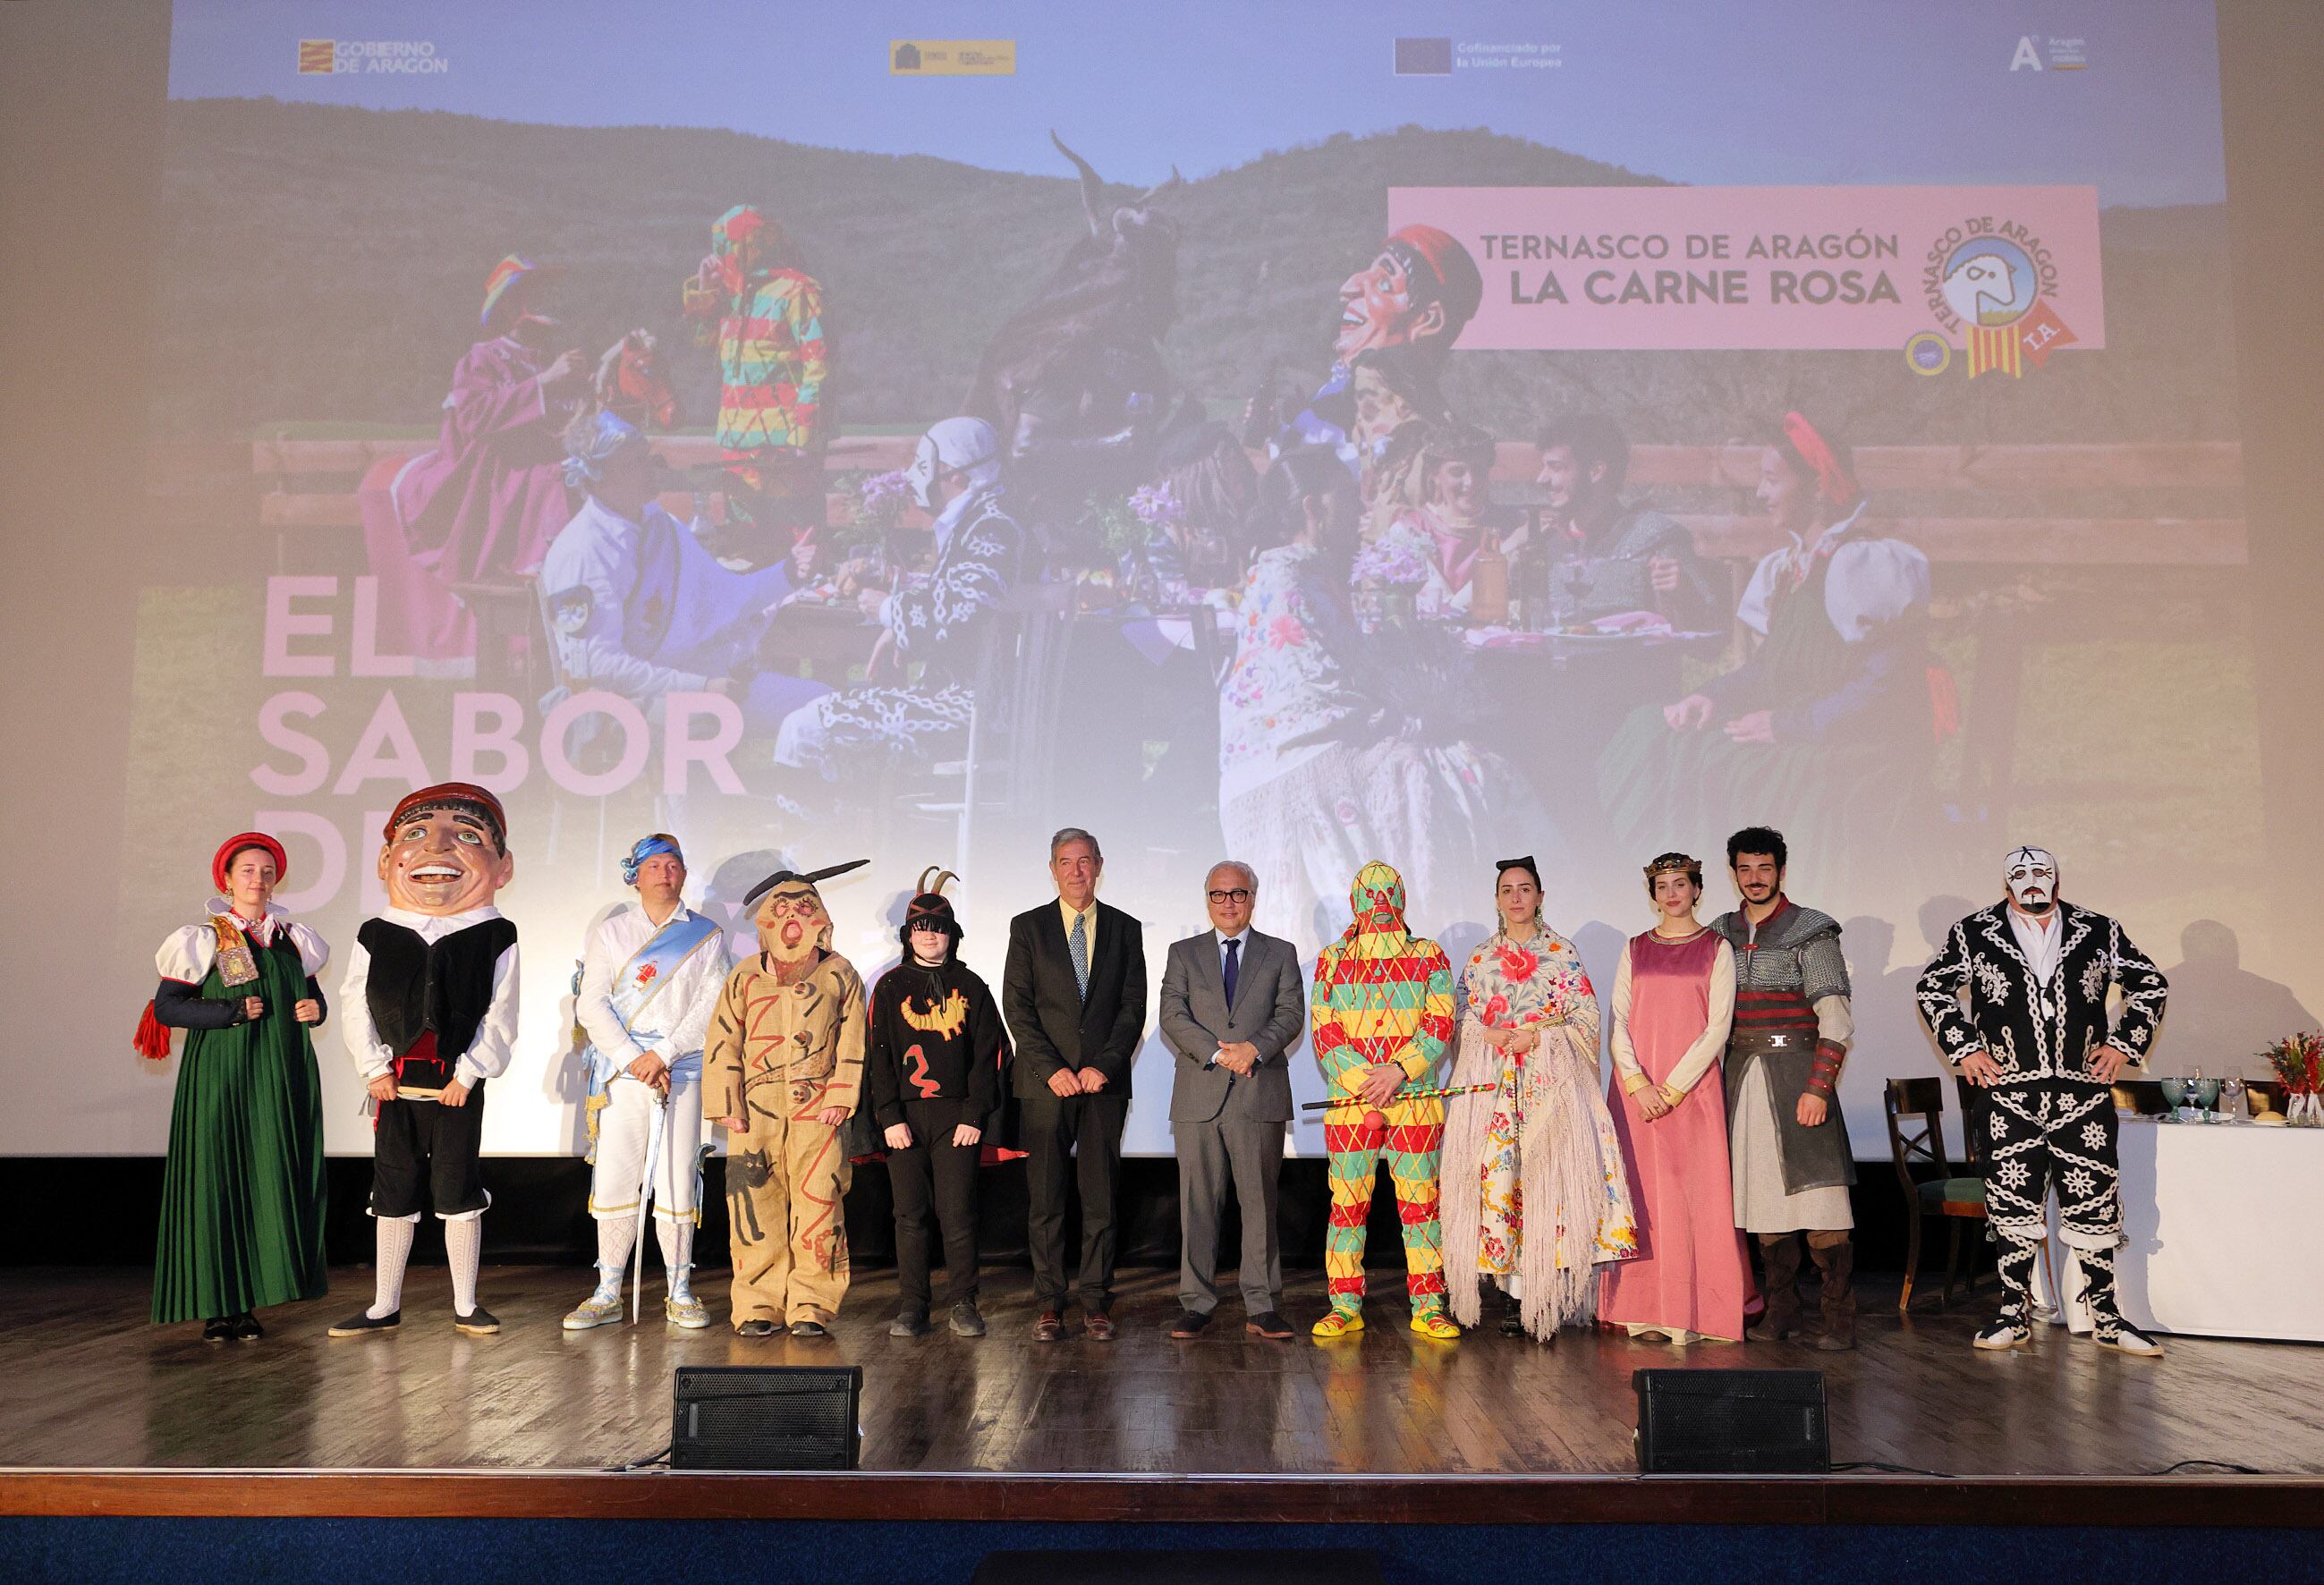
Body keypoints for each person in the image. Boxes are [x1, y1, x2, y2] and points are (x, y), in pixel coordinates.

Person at [1598, 413, 1940, 906]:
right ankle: (1649, 892)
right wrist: (1710, 697)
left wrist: (1791, 724)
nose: (1760, 493)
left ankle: (1746, 914)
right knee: (1657, 732)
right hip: (1801, 731)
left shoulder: (1861, 565)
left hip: (1855, 746)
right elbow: (1771, 671)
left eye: (1772, 479)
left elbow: (1884, 685)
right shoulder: (1788, 570)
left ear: (1817, 486)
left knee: (1723, 764)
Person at [1218, 448, 1556, 945]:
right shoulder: (1285, 577)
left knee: (1463, 760)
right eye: (1348, 501)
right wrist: (1393, 718)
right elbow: (1303, 681)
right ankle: (1446, 927)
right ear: (1314, 510)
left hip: (1315, 735)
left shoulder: (1311, 573)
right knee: (1434, 767)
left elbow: (1347, 665)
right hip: (1291, 753)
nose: (1359, 513)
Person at [1913, 846, 2169, 1355]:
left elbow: (2151, 983)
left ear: (2057, 880)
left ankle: (2107, 1316)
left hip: (2083, 1090)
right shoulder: (1973, 932)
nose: (2033, 882)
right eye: (2022, 875)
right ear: (2006, 883)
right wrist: (1965, 1050)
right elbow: (1932, 989)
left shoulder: (2099, 930)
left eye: (2042, 874)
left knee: (2094, 1198)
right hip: (2009, 1092)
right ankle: (2013, 1311)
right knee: (2013, 1201)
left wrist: (2121, 1044)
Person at [329, 785, 519, 1338]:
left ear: (502, 867)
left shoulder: (496, 935)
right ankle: (384, 1302)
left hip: (454, 1085)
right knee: (392, 1190)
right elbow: (354, 1001)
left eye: (466, 835)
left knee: (457, 1188)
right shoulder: (376, 934)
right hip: (395, 1086)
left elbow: (502, 1011)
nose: (437, 848)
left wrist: (469, 1072)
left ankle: (465, 1303)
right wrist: (373, 1069)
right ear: (387, 861)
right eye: (415, 834)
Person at [137, 834, 331, 1343]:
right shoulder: (203, 938)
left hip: (278, 1075)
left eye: (266, 870)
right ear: (226, 879)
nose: (258, 879)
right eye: (247, 870)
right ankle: (217, 1307)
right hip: (222, 1074)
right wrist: (228, 1012)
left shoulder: (294, 939)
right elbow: (168, 1008)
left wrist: (318, 1010)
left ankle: (248, 1304)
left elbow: (311, 997)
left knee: (265, 1178)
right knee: (219, 1177)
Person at [1438, 857, 1637, 1341]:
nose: (1516, 897)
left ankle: (1544, 1292)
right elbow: (1459, 1019)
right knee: (1500, 1183)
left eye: (1525, 888)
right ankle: (1509, 1295)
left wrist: (1541, 1039)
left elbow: (1587, 1020)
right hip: (1495, 1094)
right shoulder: (1481, 959)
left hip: (1553, 1088)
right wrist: (1486, 1032)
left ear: (1540, 896)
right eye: (1507, 889)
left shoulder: (1562, 953)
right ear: (1497, 899)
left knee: (1549, 1181)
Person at [539, 410, 825, 736]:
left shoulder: (661, 526)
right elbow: (597, 666)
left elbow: (729, 596)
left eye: (646, 458)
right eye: (632, 464)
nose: (649, 470)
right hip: (618, 704)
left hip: (696, 679)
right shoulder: (582, 551)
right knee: (705, 722)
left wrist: (789, 571)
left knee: (821, 702)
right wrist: (699, 687)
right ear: (595, 478)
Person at [774, 417, 1029, 784]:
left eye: (922, 463)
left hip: (973, 717)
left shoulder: (993, 525)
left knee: (803, 729)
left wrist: (888, 609)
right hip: (969, 707)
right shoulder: (988, 516)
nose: (912, 475)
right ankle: (845, 833)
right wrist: (899, 623)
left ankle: (809, 840)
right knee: (812, 714)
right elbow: (964, 598)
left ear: (953, 472)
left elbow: (965, 611)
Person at [361, 255, 589, 664]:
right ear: (508, 308)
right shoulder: (482, 358)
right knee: (550, 481)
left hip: (541, 463)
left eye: (539, 292)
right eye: (527, 294)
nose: (539, 300)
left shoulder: (546, 360)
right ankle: (533, 602)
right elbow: (472, 416)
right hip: (497, 472)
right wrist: (546, 382)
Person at [562, 835, 732, 1333]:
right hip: (623, 1072)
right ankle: (607, 1290)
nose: (664, 872)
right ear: (635, 875)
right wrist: (636, 1058)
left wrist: (664, 1053)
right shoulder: (611, 933)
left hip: (680, 1070)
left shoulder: (707, 934)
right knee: (616, 1176)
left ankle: (680, 1291)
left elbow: (712, 1005)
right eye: (653, 865)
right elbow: (591, 1004)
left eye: (673, 864)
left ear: (683, 874)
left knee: (678, 1179)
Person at [706, 860, 871, 1338]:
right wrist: (726, 1104)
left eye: (802, 909)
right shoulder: (744, 976)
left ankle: (812, 1304)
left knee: (820, 1201)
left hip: (818, 1109)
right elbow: (723, 1040)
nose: (791, 920)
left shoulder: (839, 974)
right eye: (781, 911)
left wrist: (842, 1094)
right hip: (756, 1111)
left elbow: (853, 1040)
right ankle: (758, 1303)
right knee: (754, 1207)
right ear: (766, 922)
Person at [1709, 827, 1858, 1350]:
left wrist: (1818, 1088)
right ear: (1733, 874)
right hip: (1742, 1076)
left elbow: (1835, 1020)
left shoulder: (1811, 931)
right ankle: (1782, 1311)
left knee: (1819, 1200)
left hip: (1798, 1074)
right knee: (1762, 1200)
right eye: (1745, 869)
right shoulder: (1718, 933)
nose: (1754, 879)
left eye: (1764, 868)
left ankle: (1838, 1317)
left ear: (1781, 871)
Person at [1003, 827, 1149, 1342]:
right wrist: (1053, 1069)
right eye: (1066, 862)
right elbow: (1018, 1010)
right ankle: (1049, 1302)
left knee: (1100, 1196)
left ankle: (1095, 1300)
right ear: (1052, 869)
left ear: (1099, 865)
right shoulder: (1028, 928)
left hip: (1102, 1085)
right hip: (1046, 1087)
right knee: (1045, 1199)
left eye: (1085, 861)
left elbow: (1133, 1009)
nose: (1076, 871)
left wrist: (1103, 1066)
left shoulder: (1125, 929)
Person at [1598, 852, 1748, 1344]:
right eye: (1662, 885)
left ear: (1698, 889)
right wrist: (1639, 1085)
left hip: (1692, 1094)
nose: (1671, 893)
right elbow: (1619, 1021)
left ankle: (1692, 1312)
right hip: (1636, 1095)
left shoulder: (1716, 949)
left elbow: (1717, 1029)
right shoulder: (1635, 948)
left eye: (1680, 884)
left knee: (1692, 1201)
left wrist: (1673, 1088)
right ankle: (1642, 1309)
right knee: (1641, 1200)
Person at [1310, 860, 1461, 1341]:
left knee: (1421, 1206)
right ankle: (1344, 1303)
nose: (1378, 904)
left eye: (1387, 893)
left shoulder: (1429, 955)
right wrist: (1365, 1081)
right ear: (1355, 900)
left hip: (1415, 1100)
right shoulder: (1332, 959)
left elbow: (1441, 1021)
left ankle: (1429, 1304)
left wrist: (1398, 1071)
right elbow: (1324, 1028)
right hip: (1351, 1105)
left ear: (1400, 898)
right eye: (1368, 894)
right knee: (1347, 1206)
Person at [1158, 860, 1306, 1341]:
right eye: (1218, 895)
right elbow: (1171, 1015)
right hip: (1199, 1095)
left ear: (1252, 898)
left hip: (1257, 1095)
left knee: (1260, 1206)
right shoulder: (1182, 953)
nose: (1228, 903)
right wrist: (1220, 1053)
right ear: (1207, 899)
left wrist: (1255, 1049)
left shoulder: (1281, 953)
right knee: (1197, 1204)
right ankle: (1196, 1304)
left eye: (1238, 894)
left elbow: (1290, 1014)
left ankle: (1262, 1307)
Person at [868, 874, 1006, 1340]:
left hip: (957, 1118)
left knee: (957, 1211)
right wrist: (888, 1116)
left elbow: (989, 1054)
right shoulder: (888, 988)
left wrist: (974, 1114)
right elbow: (879, 1055)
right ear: (908, 934)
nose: (930, 935)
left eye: (939, 927)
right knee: (909, 1214)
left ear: (952, 934)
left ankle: (964, 1302)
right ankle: (913, 1305)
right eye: (920, 927)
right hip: (904, 1118)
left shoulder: (972, 986)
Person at [680, 206, 830, 560]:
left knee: (796, 543)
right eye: (717, 247)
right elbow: (702, 340)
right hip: (737, 446)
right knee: (743, 545)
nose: (720, 255)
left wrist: (805, 435)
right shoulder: (732, 299)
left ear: (753, 245)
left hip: (784, 447)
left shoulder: (797, 290)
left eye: (727, 246)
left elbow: (819, 364)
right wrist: (705, 292)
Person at [1277, 225, 1482, 467]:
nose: (1349, 288)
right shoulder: (1353, 388)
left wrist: (1304, 422)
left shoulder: (1389, 400)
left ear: (1427, 320)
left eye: (1384, 284)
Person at [1534, 413, 1717, 634]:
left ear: (1596, 472)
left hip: (1627, 667)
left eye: (1556, 467)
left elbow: (1711, 645)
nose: (1541, 479)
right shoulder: (1542, 546)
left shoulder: (1655, 539)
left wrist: (1685, 596)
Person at [1372, 420, 1531, 620]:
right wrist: (1506, 551)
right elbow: (1447, 611)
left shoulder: (1512, 524)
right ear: (1435, 475)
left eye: (1479, 471)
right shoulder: (1410, 530)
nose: (1470, 482)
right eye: (1457, 472)